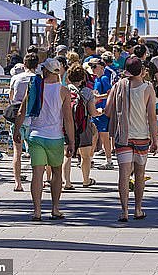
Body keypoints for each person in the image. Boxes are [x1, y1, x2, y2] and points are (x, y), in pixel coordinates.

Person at [14, 58, 75, 221]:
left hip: (35, 136)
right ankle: (55, 208)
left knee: (37, 174)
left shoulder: (34, 87)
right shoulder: (63, 91)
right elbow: (68, 119)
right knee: (56, 172)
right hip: (55, 137)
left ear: (45, 71)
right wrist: (72, 141)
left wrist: (16, 130)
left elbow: (21, 111)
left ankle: (37, 211)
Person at [105, 56, 158, 222]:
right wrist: (155, 139)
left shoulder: (118, 86)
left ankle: (124, 211)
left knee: (123, 174)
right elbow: (152, 117)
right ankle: (138, 209)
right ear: (141, 70)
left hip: (123, 136)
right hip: (142, 136)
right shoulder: (148, 88)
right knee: (140, 174)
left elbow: (107, 111)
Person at [67, 64, 103, 187]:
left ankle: (67, 182)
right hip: (83, 125)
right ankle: (86, 180)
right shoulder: (87, 92)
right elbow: (92, 112)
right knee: (85, 156)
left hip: (67, 125)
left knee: (67, 154)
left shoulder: (65, 90)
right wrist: (100, 112)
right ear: (83, 78)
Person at [9, 52, 39, 192]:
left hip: (17, 118)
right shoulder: (38, 79)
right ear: (37, 65)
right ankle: (38, 180)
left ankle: (17, 182)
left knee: (17, 152)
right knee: (36, 153)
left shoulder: (16, 78)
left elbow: (11, 97)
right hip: (34, 119)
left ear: (24, 64)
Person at [89, 58, 113, 171]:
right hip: (97, 111)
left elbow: (110, 93)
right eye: (91, 67)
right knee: (94, 136)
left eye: (94, 66)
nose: (92, 69)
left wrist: (98, 98)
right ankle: (89, 159)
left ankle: (109, 160)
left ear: (101, 67)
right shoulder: (97, 79)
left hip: (102, 111)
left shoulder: (103, 78)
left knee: (104, 137)